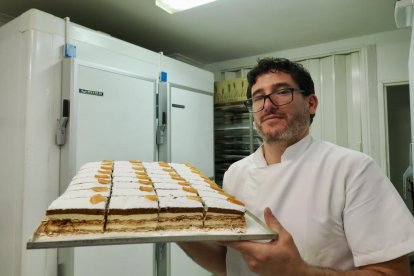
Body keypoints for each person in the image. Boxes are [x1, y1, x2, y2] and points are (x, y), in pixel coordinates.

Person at [179, 57, 414, 275]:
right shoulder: (235, 173)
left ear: (311, 103)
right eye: (258, 97)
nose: (268, 105)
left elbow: (393, 272)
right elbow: (230, 264)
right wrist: (171, 228)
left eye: (281, 92)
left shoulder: (352, 169)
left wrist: (298, 271)